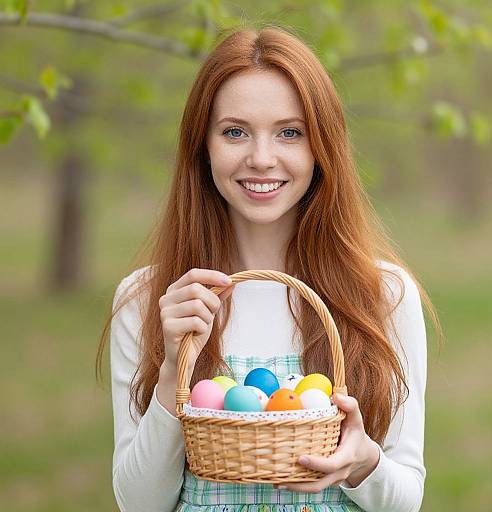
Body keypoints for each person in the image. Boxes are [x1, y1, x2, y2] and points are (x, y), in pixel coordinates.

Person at [96, 25, 441, 512]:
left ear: (322, 146)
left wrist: (365, 464)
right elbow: (140, 504)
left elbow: (406, 500)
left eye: (289, 132)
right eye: (235, 131)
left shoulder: (383, 294)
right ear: (204, 146)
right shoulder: (151, 298)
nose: (261, 159)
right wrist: (174, 368)